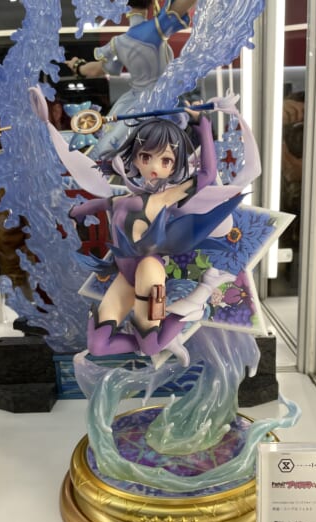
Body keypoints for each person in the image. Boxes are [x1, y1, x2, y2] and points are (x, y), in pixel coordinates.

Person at [69, 95, 260, 365]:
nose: (154, 167)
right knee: (98, 345)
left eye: (166, 161)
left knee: (150, 346)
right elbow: (102, 203)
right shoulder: (123, 199)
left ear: (174, 165)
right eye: (146, 157)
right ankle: (153, 335)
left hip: (148, 269)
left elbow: (206, 174)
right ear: (135, 157)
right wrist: (77, 212)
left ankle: (199, 297)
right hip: (125, 275)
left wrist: (202, 125)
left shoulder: (166, 197)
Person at [66, 0, 196, 158]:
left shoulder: (118, 42)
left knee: (118, 151)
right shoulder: (155, 29)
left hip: (132, 104)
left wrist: (77, 66)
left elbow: (94, 70)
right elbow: (181, 6)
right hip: (158, 104)